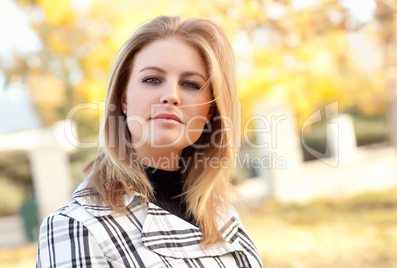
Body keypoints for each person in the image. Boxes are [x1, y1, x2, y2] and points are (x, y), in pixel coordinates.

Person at [36, 15, 262, 268]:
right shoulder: (76, 226)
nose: (171, 96)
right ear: (123, 99)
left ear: (210, 111)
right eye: (152, 79)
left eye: (190, 84)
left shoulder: (219, 210)